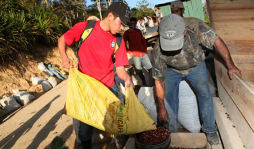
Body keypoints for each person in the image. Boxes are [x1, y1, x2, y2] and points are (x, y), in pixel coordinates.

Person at [152, 13, 242, 145]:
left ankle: (210, 130)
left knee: (205, 95)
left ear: (184, 31)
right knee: (169, 99)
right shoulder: (158, 49)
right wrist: (161, 108)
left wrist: (231, 65)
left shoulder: (196, 26)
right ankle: (170, 132)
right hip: (172, 69)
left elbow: (217, 42)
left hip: (196, 66)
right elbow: (159, 81)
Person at [58, 2, 134, 149]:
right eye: (121, 23)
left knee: (118, 119)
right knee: (86, 125)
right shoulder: (86, 27)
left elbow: (120, 70)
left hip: (108, 86)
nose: (122, 28)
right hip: (87, 87)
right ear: (110, 16)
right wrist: (63, 57)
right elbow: (63, 39)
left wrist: (127, 78)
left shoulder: (118, 39)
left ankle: (120, 144)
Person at [123, 17, 152, 86]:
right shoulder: (127, 33)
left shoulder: (138, 31)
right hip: (135, 54)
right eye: (132, 23)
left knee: (150, 67)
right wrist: (129, 52)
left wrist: (145, 49)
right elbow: (123, 43)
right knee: (138, 69)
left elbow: (143, 40)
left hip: (143, 52)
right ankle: (144, 81)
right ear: (129, 24)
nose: (133, 25)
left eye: (134, 23)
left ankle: (153, 81)